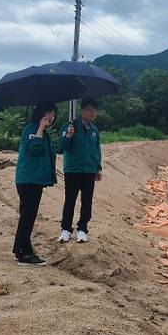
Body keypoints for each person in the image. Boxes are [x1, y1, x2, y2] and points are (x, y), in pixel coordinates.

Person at [13, 102, 58, 266]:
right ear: (40, 113)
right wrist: (40, 128)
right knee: (28, 217)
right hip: (28, 180)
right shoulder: (32, 129)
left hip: (34, 179)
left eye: (53, 114)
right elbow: (34, 149)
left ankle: (19, 249)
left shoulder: (42, 131)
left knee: (27, 216)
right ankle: (24, 255)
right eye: (48, 113)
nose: (51, 117)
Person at [58, 97, 102, 243]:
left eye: (95, 111)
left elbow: (97, 150)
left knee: (87, 201)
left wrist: (98, 167)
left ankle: (82, 229)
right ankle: (66, 229)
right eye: (90, 110)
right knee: (70, 200)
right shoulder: (70, 125)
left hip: (89, 170)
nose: (92, 113)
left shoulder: (94, 130)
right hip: (73, 169)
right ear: (82, 110)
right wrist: (69, 135)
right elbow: (62, 146)